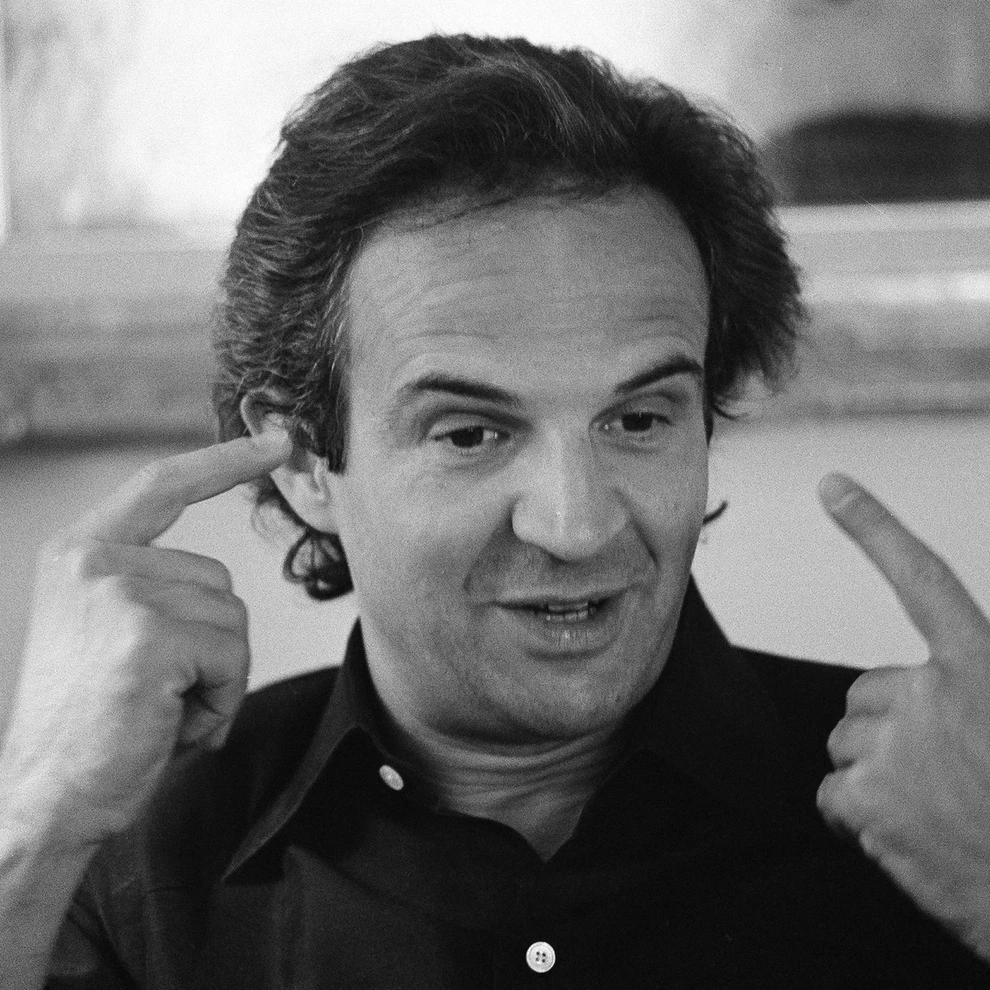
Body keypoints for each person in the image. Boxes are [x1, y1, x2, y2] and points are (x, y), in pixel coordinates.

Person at [1, 33, 989, 989]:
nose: (578, 527)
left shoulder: (943, 806)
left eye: (638, 419)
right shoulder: (128, 854)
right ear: (304, 463)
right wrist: (32, 822)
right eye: (472, 433)